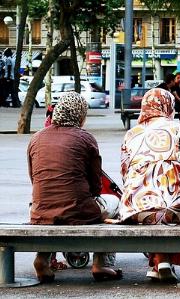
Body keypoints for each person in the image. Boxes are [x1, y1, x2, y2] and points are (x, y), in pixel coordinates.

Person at [28, 92, 122, 283]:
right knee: (115, 203)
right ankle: (100, 263)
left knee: (51, 209)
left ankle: (42, 259)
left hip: (40, 211)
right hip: (78, 211)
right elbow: (96, 187)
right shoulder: (86, 139)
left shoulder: (36, 139)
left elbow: (34, 178)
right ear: (80, 115)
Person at [116, 88, 180, 282]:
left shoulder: (131, 134)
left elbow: (125, 175)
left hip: (135, 208)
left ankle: (158, 260)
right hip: (175, 208)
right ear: (169, 106)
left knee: (154, 212)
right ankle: (165, 259)